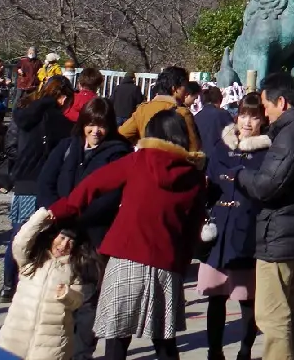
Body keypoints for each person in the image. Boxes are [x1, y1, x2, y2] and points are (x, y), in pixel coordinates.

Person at [42, 108, 206, 360]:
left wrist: (57, 211)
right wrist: (181, 266)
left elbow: (90, 187)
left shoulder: (136, 161)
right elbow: (191, 230)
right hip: (167, 263)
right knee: (164, 341)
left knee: (117, 338)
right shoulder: (194, 177)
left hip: (126, 255)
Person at [234, 72, 294, 360]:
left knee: (272, 316)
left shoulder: (292, 135)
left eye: (266, 105)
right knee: (292, 308)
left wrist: (241, 175)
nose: (263, 112)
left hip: (281, 236)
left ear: (282, 102)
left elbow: (267, 185)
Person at [37, 96, 130, 360]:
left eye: (101, 125)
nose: (95, 131)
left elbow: (108, 200)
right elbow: (46, 184)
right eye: (90, 124)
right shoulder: (67, 147)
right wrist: (57, 222)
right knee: (54, 296)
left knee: (86, 299)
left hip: (92, 237)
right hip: (57, 234)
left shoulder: (118, 153)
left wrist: (73, 228)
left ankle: (81, 353)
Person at [201, 95, 273, 360]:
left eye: (254, 116)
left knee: (246, 297)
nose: (247, 121)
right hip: (219, 228)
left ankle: (244, 351)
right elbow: (210, 182)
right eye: (244, 114)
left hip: (248, 228)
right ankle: (214, 351)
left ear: (263, 120)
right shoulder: (221, 146)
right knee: (215, 295)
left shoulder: (267, 152)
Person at [3, 75, 76, 303]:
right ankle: (31, 281)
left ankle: (7, 285)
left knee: (18, 236)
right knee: (42, 237)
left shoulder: (25, 113)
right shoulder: (63, 124)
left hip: (23, 181)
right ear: (63, 98)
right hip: (45, 184)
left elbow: (11, 145)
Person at [0, 216, 89, 360]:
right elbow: (20, 242)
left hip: (52, 348)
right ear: (52, 237)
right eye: (62, 238)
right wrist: (42, 217)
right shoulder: (31, 262)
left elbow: (78, 301)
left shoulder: (74, 269)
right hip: (13, 340)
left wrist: (68, 294)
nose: (64, 245)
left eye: (71, 242)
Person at [119, 68, 202, 152]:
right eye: (185, 86)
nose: (187, 91)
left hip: (146, 160)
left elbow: (122, 134)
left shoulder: (143, 109)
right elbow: (194, 148)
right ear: (174, 88)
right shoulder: (182, 112)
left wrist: (139, 143)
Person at [193, 85, 230, 154]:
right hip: (219, 158)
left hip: (200, 159)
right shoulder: (223, 115)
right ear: (220, 100)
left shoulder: (195, 117)